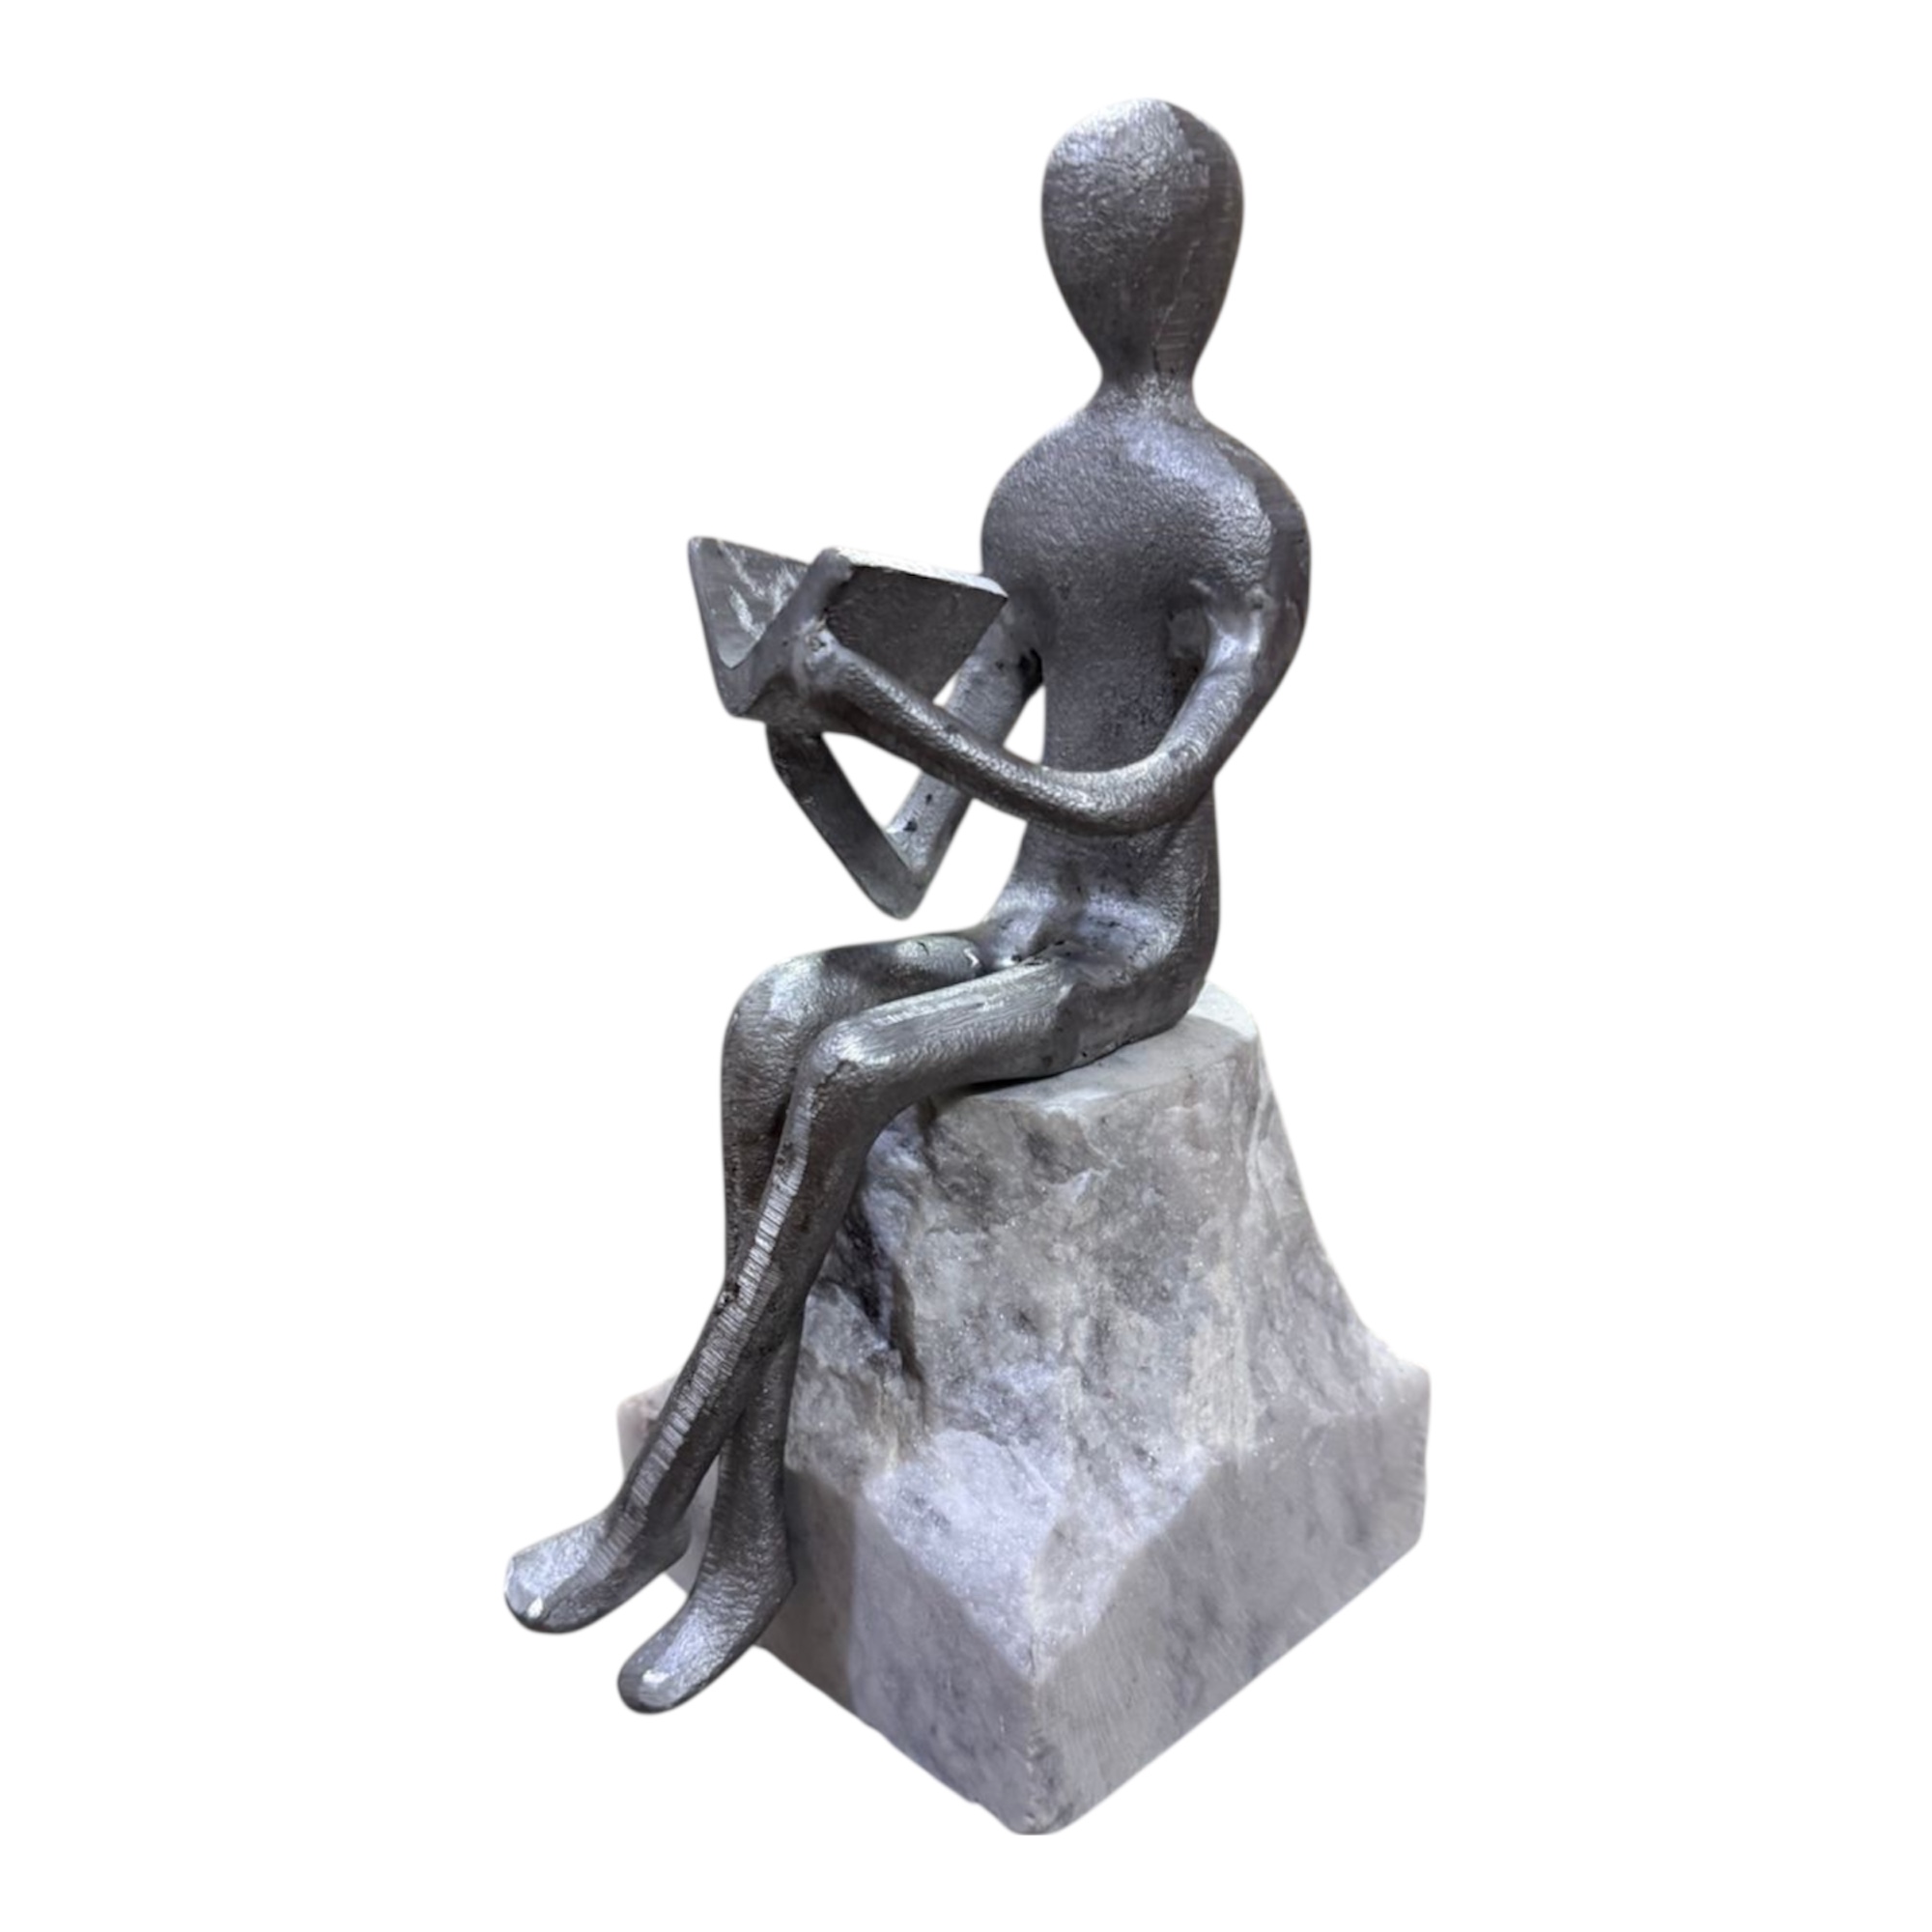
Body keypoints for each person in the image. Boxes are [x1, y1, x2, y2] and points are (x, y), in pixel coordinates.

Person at [505, 99, 1310, 1711]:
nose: (1097, 265)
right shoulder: (1038, 500)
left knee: (856, 1068)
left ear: (1182, 260)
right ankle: (744, 1540)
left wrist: (890, 707)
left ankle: (656, 1513)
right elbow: (902, 861)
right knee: (771, 1021)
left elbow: (1135, 802)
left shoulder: (1239, 519)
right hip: (1027, 917)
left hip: (1136, 942)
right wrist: (806, 732)